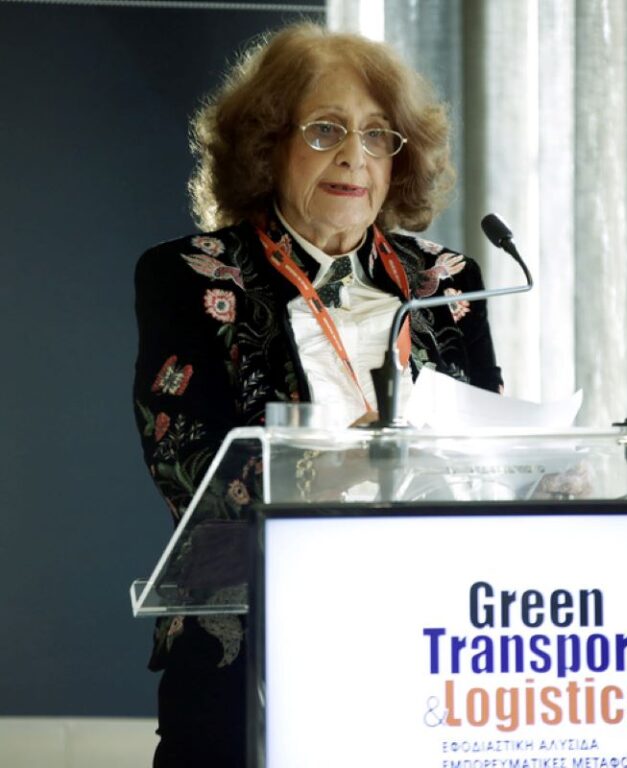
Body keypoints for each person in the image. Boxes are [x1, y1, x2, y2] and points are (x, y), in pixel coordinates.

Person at [133, 21, 502, 768]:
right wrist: (335, 463)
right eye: (326, 129)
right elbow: (183, 462)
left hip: (427, 644)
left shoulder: (449, 282)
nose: (354, 156)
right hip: (250, 653)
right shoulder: (191, 276)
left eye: (377, 135)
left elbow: (486, 444)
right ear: (268, 144)